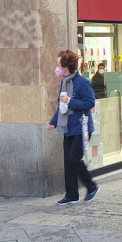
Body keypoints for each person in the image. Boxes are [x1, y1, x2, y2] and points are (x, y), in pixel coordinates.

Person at [47, 50, 100, 205]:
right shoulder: (64, 82)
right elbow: (61, 106)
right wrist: (54, 121)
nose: (56, 68)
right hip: (68, 128)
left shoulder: (82, 83)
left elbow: (90, 103)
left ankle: (91, 187)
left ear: (65, 66)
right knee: (68, 162)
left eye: (58, 65)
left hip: (81, 128)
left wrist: (71, 100)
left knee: (73, 159)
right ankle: (71, 195)